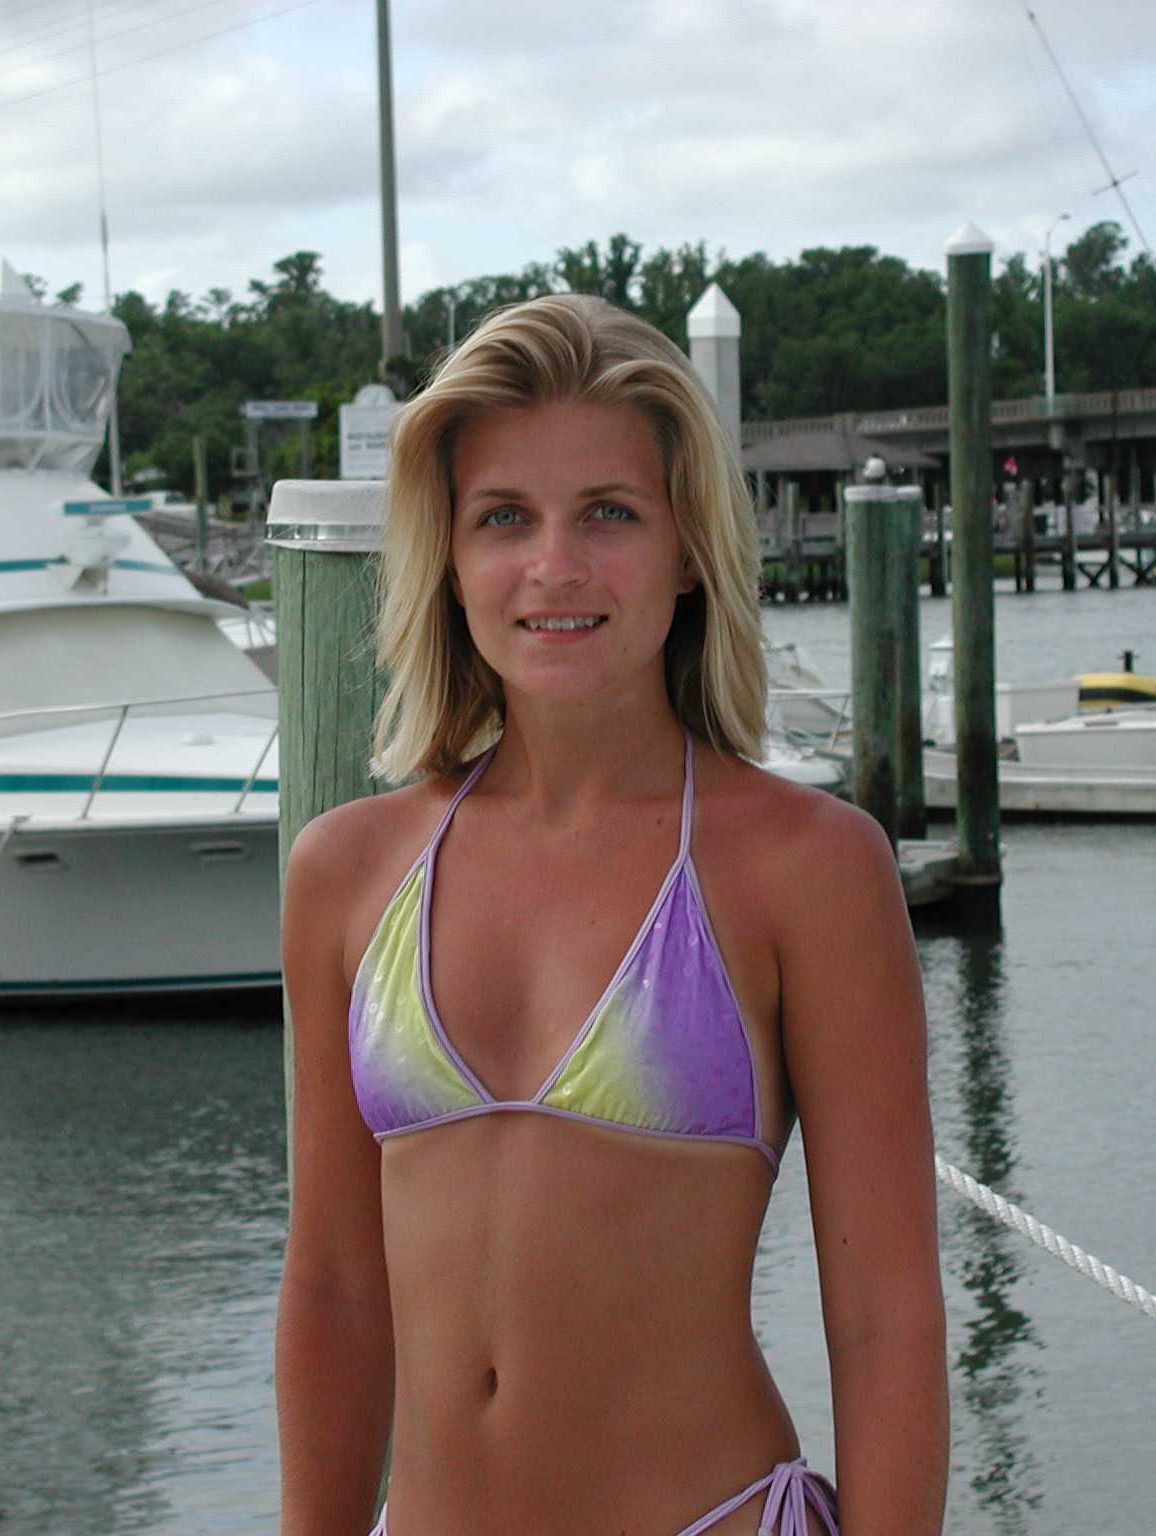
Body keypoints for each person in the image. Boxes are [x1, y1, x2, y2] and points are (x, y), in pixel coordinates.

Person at [276, 294, 946, 1535]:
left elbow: (882, 1318)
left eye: (608, 513)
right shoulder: (346, 873)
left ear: (688, 548)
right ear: (447, 558)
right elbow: (332, 1293)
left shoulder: (805, 868)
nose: (555, 566)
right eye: (502, 518)